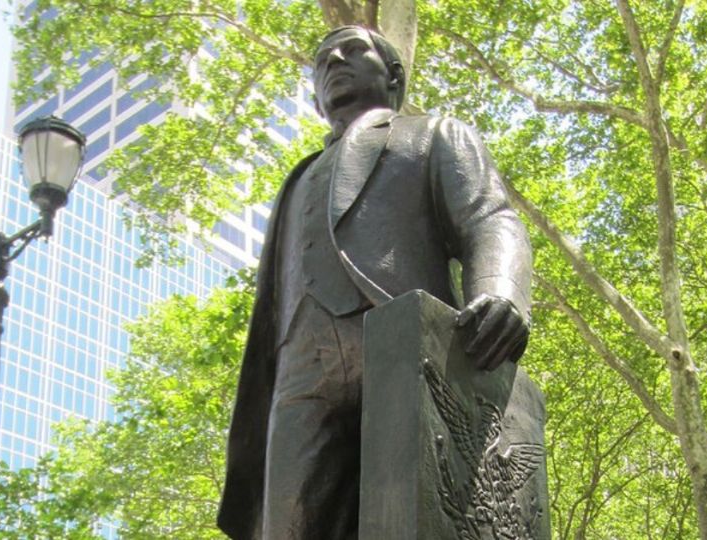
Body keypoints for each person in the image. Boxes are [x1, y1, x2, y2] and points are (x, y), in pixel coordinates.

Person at [217, 25, 532, 540]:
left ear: (393, 75)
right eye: (322, 61)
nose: (335, 61)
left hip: (401, 349)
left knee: (412, 517)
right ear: (316, 98)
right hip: (300, 375)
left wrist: (499, 291)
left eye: (352, 50)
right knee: (288, 528)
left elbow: (490, 218)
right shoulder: (295, 181)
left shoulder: (432, 136)